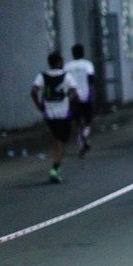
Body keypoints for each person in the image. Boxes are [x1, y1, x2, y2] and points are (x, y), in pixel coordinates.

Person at [30, 52, 80, 184]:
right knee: (61, 139)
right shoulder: (66, 76)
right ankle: (55, 167)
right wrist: (73, 107)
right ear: (59, 62)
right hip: (64, 113)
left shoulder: (42, 76)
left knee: (58, 139)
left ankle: (57, 167)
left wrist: (39, 105)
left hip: (49, 113)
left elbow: (34, 90)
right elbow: (75, 93)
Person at [65, 44, 96, 156]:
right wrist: (92, 94)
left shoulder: (67, 66)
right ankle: (85, 135)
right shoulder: (87, 64)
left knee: (77, 121)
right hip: (86, 96)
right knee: (88, 120)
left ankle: (81, 144)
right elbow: (91, 79)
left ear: (73, 53)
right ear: (83, 53)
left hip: (73, 97)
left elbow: (65, 82)